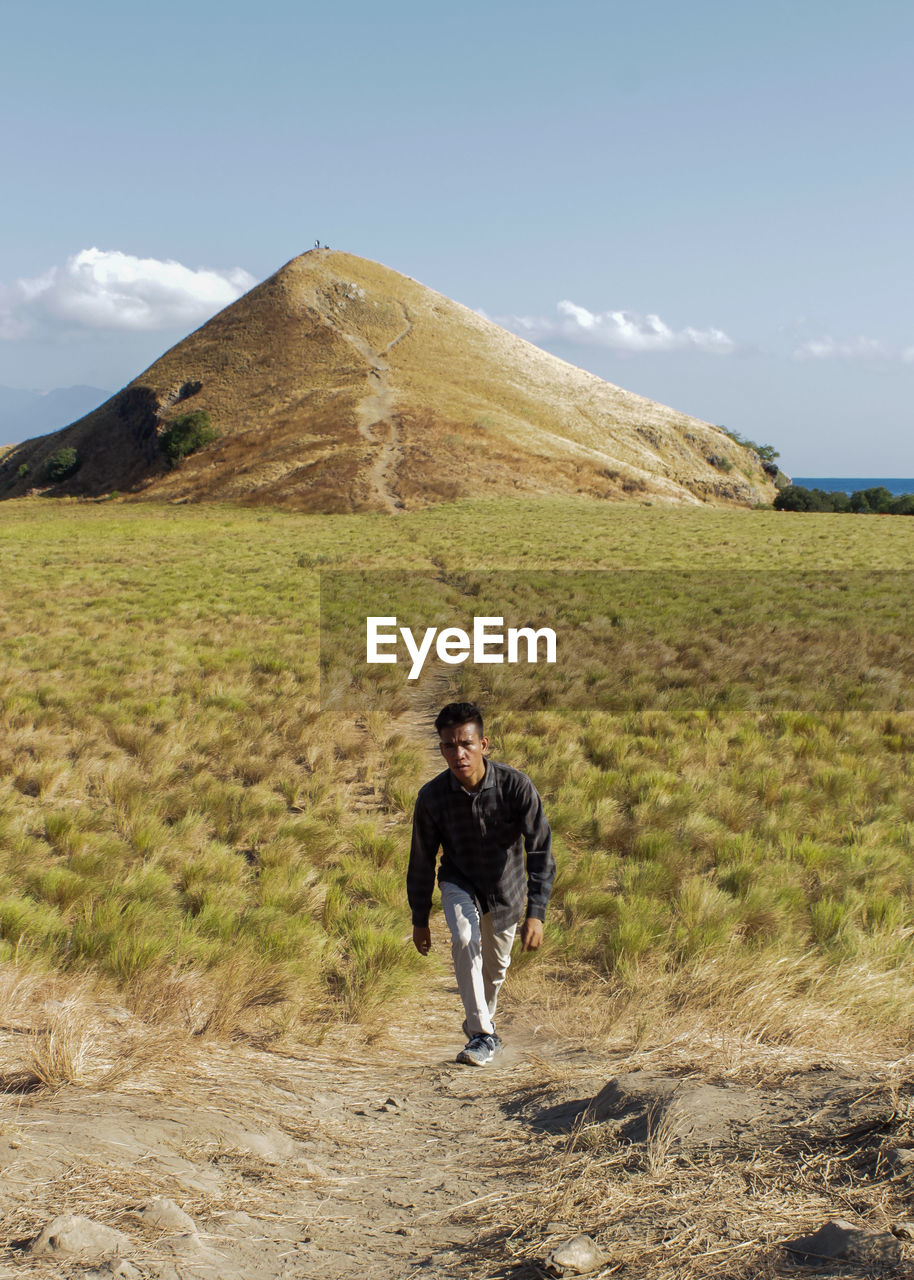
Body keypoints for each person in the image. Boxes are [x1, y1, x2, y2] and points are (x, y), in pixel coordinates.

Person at [407, 701, 555, 1066]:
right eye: (449, 745)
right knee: (463, 937)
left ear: (484, 744)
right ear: (441, 748)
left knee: (495, 970)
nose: (458, 753)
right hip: (459, 882)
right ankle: (483, 1034)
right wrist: (420, 917)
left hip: (507, 892)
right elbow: (422, 859)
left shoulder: (516, 786)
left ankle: (480, 1027)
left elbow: (540, 850)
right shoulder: (431, 798)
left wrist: (536, 912)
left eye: (466, 744)